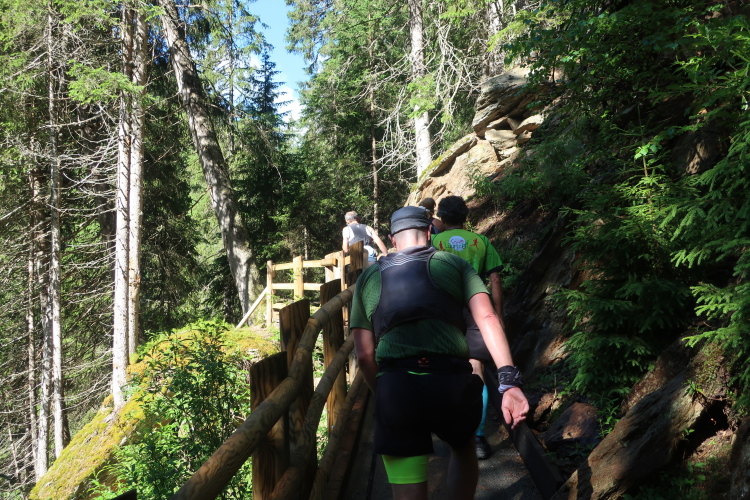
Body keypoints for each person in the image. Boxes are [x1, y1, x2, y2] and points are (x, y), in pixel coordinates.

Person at [351, 206, 528, 500]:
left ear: (392, 239)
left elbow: (364, 355)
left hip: (397, 385)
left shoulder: (369, 278)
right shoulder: (455, 265)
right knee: (463, 447)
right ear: (430, 232)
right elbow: (487, 318)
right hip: (451, 380)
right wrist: (509, 380)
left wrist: (381, 391)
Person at [432, 195, 504, 460]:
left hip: (444, 309)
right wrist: (499, 315)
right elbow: (495, 279)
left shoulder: (433, 242)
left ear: (441, 217)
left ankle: (449, 430)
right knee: (476, 371)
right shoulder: (481, 241)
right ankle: (479, 437)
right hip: (477, 308)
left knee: (444, 368)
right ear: (466, 217)